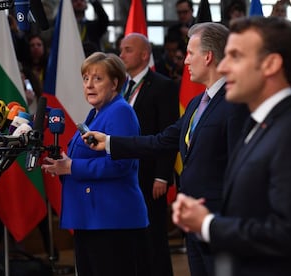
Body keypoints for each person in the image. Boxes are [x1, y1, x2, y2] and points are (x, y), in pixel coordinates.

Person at [82, 22, 250, 276]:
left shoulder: (235, 102)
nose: (185, 62)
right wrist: (110, 142)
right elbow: (161, 140)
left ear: (208, 56)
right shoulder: (196, 103)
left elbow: (240, 168)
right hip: (194, 221)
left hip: (219, 221)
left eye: (190, 54)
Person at [171, 17, 291, 275]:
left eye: (235, 56)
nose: (223, 66)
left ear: (271, 64)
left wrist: (208, 224)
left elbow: (288, 234)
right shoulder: (260, 123)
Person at [41, 52, 149, 276]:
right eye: (86, 78)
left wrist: (71, 167)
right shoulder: (96, 113)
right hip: (92, 219)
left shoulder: (120, 112)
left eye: (98, 79)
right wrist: (63, 165)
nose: (89, 85)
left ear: (115, 83)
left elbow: (122, 164)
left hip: (111, 220)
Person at [119, 32, 179, 276]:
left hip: (150, 175)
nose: (121, 54)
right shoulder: (121, 86)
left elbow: (168, 131)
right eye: (121, 49)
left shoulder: (163, 85)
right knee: (132, 238)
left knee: (154, 237)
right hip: (125, 174)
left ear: (144, 55)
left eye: (127, 50)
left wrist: (163, 176)